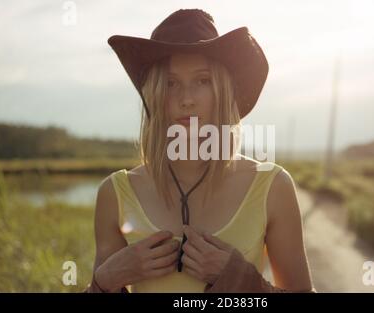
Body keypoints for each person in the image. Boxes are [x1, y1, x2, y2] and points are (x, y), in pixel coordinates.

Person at [85, 8, 314, 293]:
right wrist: (105, 281)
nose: (187, 99)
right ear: (154, 94)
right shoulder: (115, 193)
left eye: (202, 80)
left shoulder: (271, 187)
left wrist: (242, 280)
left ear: (223, 91)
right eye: (170, 83)